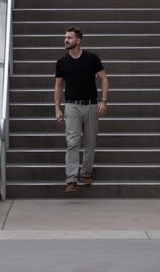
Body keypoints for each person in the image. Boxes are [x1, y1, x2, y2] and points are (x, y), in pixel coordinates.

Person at [54, 26, 109, 193]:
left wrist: (103, 101)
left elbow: (104, 80)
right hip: (71, 106)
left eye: (69, 38)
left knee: (90, 142)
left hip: (91, 105)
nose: (66, 40)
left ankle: (86, 173)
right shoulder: (62, 62)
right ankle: (71, 178)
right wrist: (57, 108)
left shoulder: (92, 58)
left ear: (78, 40)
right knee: (72, 142)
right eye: (65, 37)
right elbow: (58, 86)